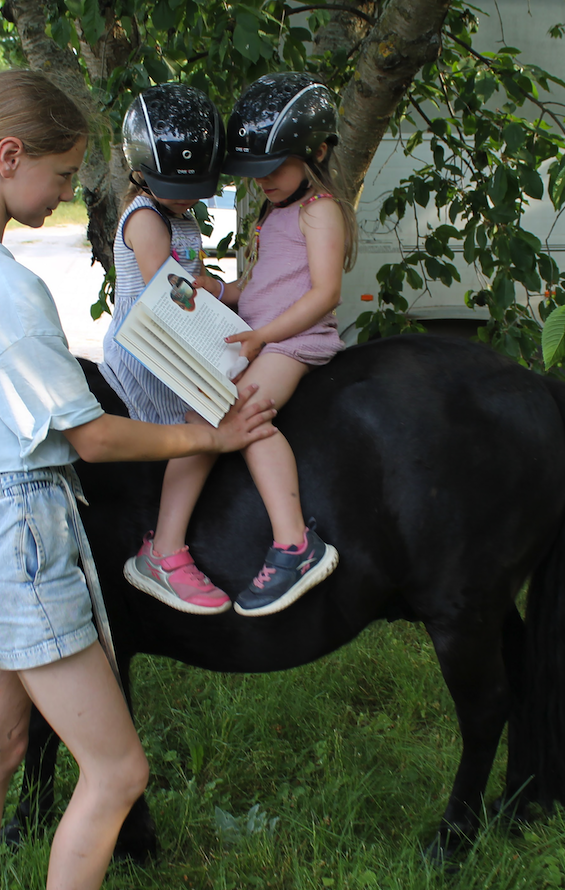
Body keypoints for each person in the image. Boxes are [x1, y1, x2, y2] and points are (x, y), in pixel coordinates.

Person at [0, 70, 278, 890]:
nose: (65, 194)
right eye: (62, 175)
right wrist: (208, 433)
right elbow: (90, 438)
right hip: (22, 536)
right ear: (10, 156)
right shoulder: (0, 284)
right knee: (116, 773)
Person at [126, 72, 355, 619]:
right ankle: (164, 549)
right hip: (262, 337)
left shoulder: (318, 209)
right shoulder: (275, 213)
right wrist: (220, 290)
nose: (266, 180)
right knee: (200, 413)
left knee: (245, 412)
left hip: (294, 342)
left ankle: (295, 544)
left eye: (276, 167)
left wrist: (263, 337)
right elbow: (259, 290)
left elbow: (325, 293)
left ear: (318, 152)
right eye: (257, 172)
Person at [101, 83, 240, 615]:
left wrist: (231, 294)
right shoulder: (144, 218)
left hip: (180, 339)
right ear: (143, 173)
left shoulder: (179, 215)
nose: (194, 200)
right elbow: (170, 290)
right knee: (200, 429)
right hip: (152, 351)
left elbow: (197, 280)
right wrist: (206, 294)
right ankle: (165, 550)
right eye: (183, 189)